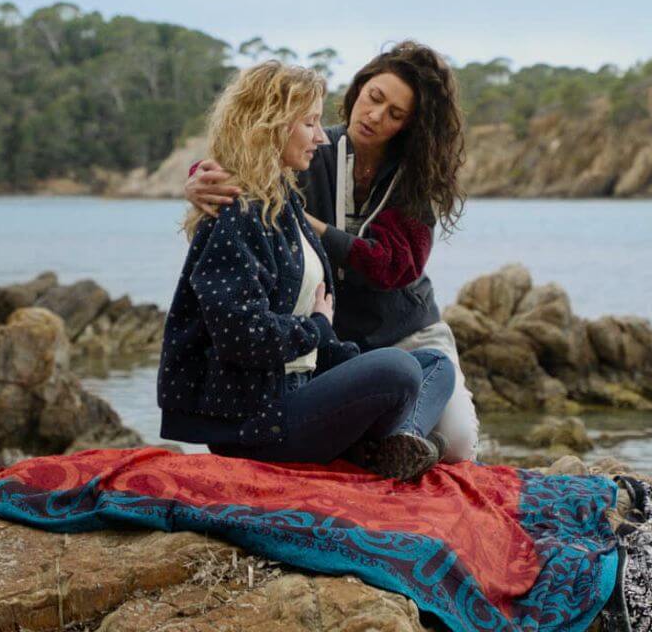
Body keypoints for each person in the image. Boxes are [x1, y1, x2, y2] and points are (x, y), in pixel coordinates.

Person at [157, 61, 454, 481]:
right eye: (310, 123)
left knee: (433, 363)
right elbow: (241, 334)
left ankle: (396, 441)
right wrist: (317, 328)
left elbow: (390, 268)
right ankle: (379, 445)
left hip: (308, 375)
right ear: (272, 125)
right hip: (256, 419)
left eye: (395, 113)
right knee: (399, 370)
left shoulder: (286, 202)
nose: (321, 135)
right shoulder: (242, 211)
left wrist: (345, 356)